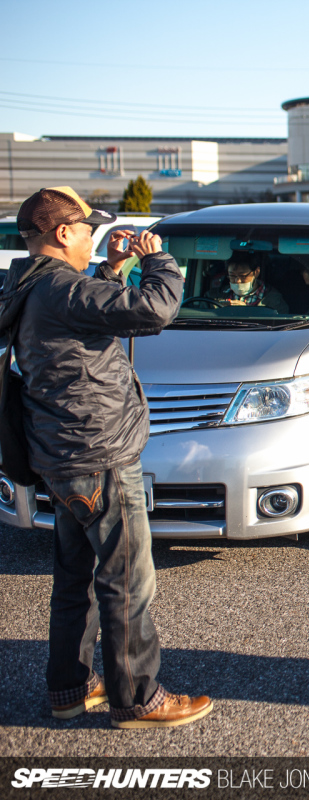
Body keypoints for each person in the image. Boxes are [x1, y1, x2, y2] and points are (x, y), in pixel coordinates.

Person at [0, 187, 211, 729]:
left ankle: (70, 687)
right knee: (127, 581)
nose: (92, 238)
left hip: (62, 456)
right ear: (62, 232)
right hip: (100, 456)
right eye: (87, 229)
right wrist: (157, 259)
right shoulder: (61, 288)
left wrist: (113, 269)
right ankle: (139, 698)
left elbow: (88, 314)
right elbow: (154, 309)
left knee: (76, 577)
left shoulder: (29, 285)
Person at [206, 252, 288, 313]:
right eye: (232, 276)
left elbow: (278, 326)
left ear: (256, 272)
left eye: (243, 276)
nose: (237, 281)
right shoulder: (213, 296)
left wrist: (247, 311)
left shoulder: (275, 301)